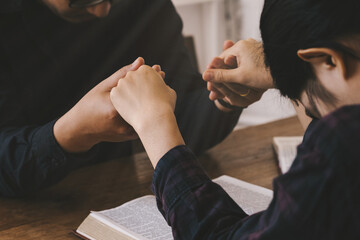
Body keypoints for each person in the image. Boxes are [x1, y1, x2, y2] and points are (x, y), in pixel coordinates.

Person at [109, 0, 360, 238]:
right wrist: (286, 71)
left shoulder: (345, 141)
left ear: (329, 60)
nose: (314, 119)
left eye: (309, 107)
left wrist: (154, 123)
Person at [0, 0, 248, 197]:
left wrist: (224, 97)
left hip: (123, 198)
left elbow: (181, 121)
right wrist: (70, 133)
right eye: (81, 0)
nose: (102, 10)